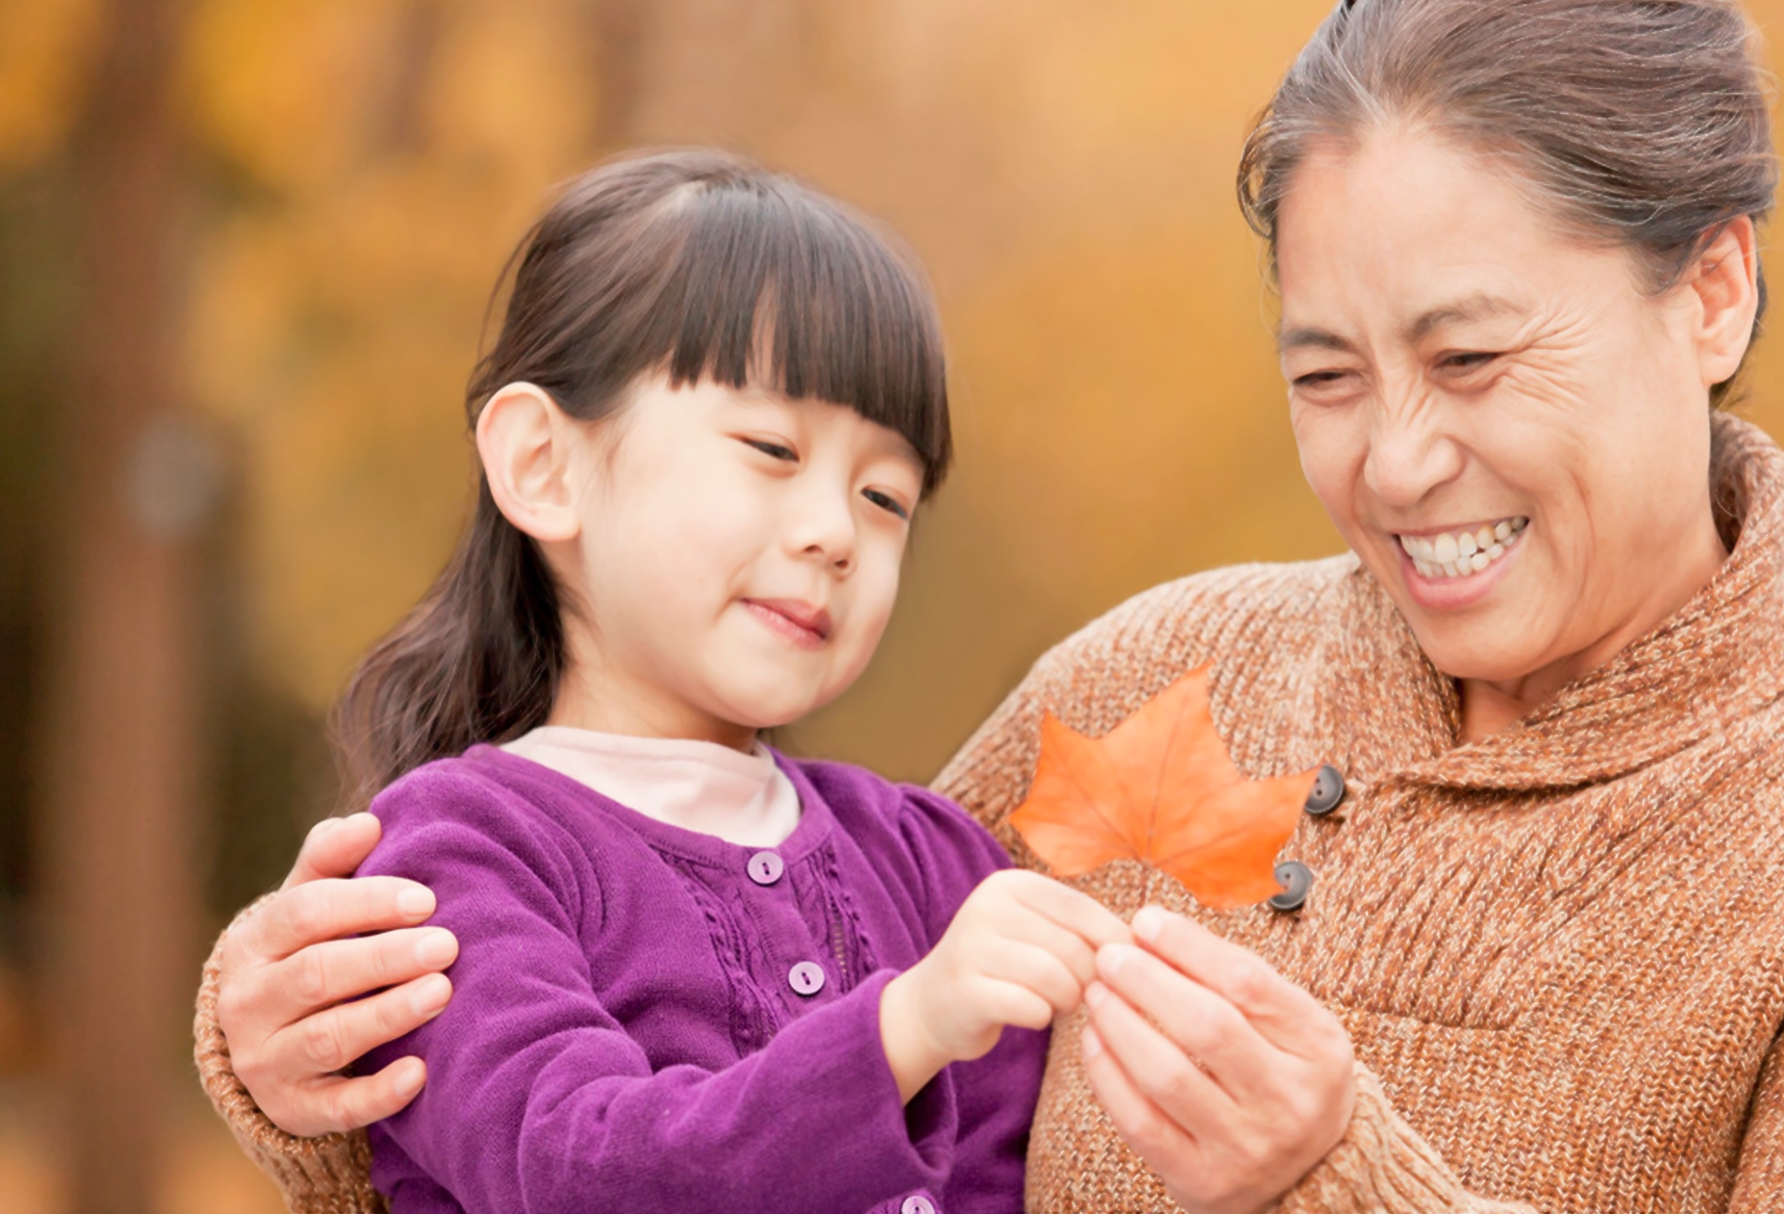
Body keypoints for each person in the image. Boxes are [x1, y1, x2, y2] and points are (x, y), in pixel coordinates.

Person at [195, 0, 1784, 1214]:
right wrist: (320, 1075)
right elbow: (715, 1065)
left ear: (1715, 288)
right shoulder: (1161, 681)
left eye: (1473, 357)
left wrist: (1334, 1176)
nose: (1398, 458)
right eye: (1326, 376)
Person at [231, 147, 1142, 1214]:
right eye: (769, 447)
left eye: (884, 496)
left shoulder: (923, 856)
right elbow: (575, 1170)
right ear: (543, 464)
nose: (834, 533)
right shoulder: (453, 856)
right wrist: (904, 1026)